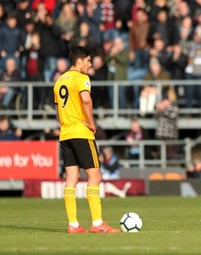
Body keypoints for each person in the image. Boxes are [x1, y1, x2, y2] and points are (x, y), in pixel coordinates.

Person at [53, 46, 120, 234]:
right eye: (88, 61)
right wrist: (91, 123)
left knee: (72, 178)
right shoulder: (82, 78)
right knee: (94, 176)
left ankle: (73, 224)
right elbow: (87, 100)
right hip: (82, 133)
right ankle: (97, 223)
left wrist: (66, 123)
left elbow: (58, 113)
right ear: (80, 61)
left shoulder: (59, 81)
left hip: (65, 134)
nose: (90, 65)